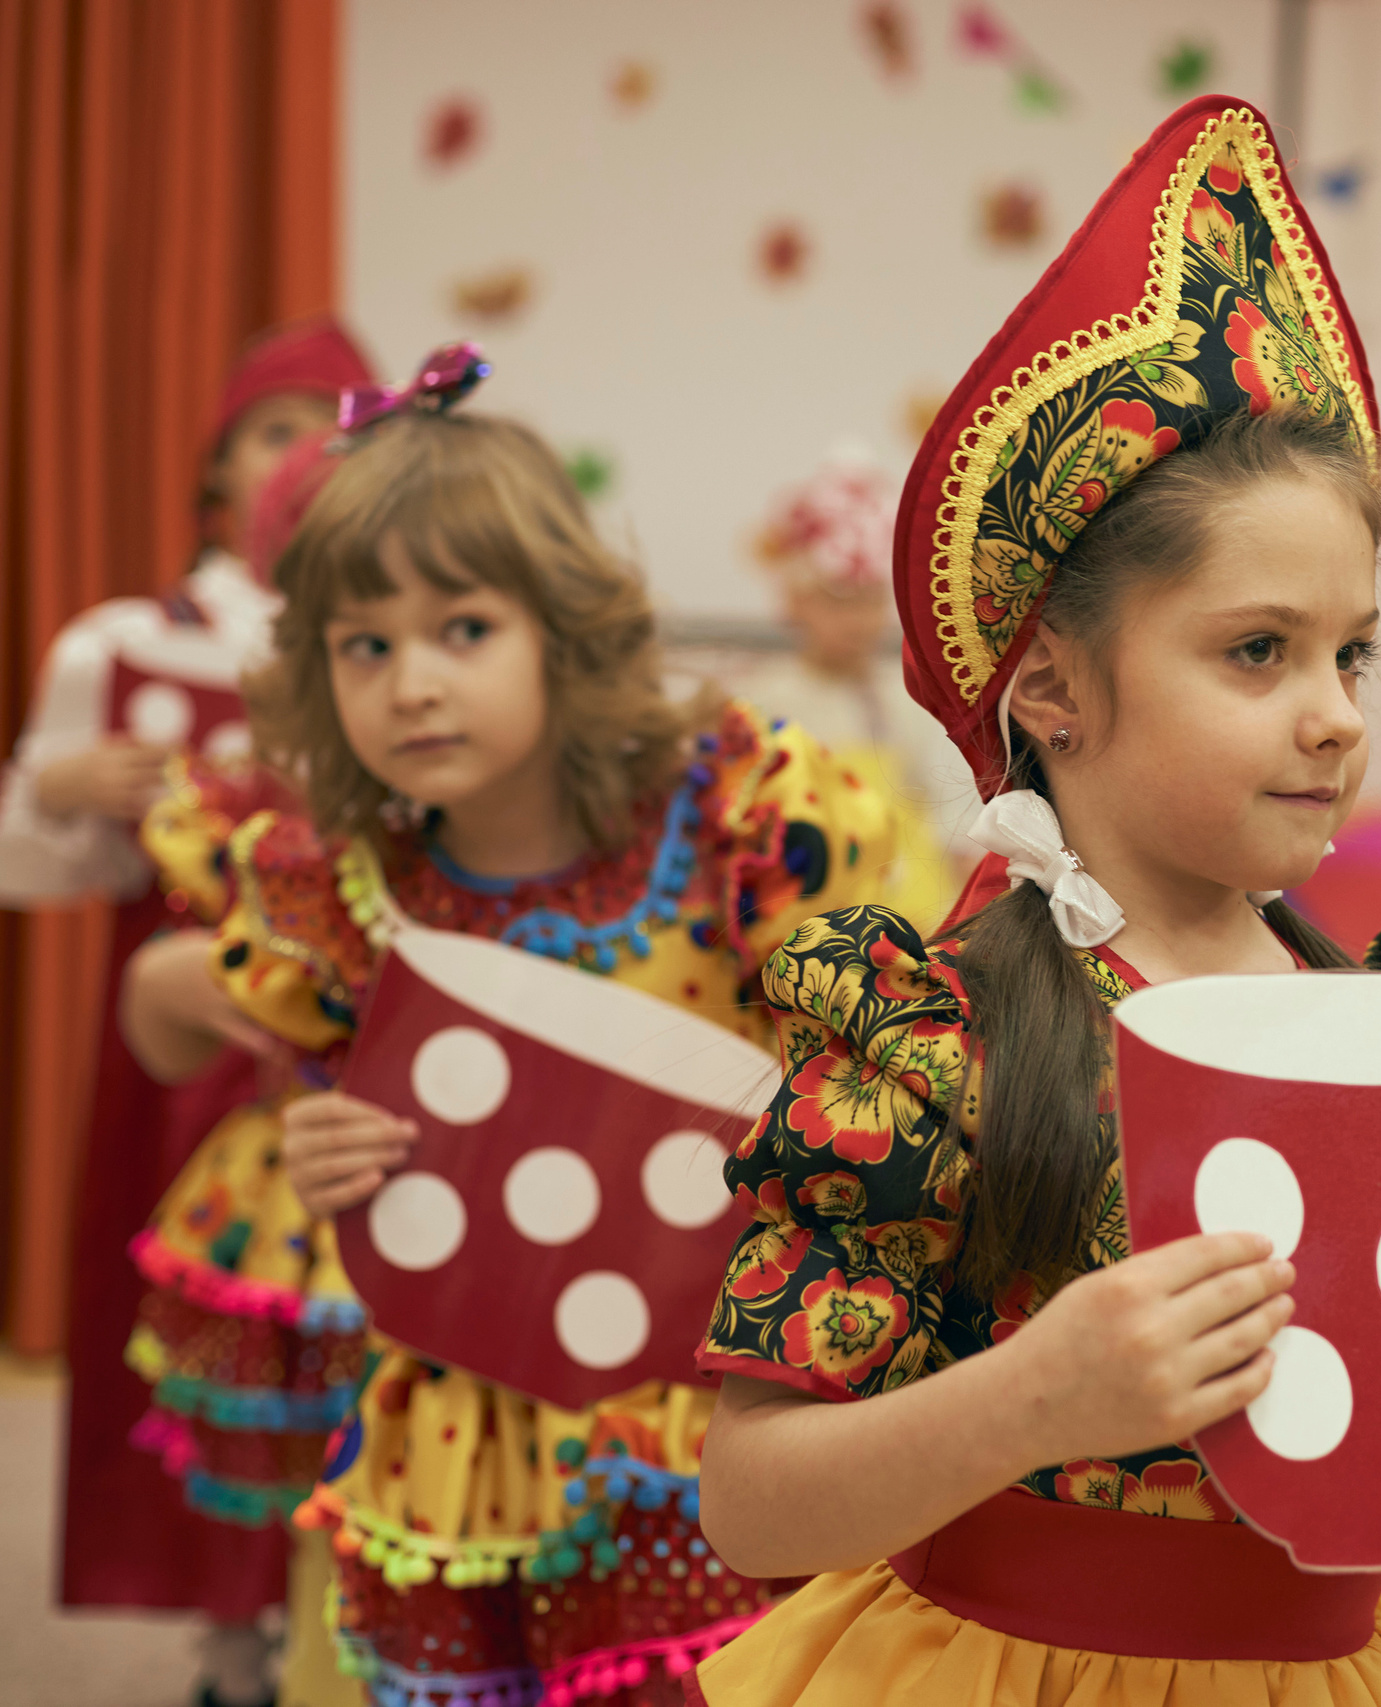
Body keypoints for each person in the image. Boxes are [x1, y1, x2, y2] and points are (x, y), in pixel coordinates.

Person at [684, 96, 1381, 1707]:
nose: (1338, 711)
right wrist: (1032, 1399)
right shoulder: (933, 1038)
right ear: (1054, 688)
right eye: (1257, 651)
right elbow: (750, 1493)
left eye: (1354, 651)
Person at [115, 345, 908, 1707]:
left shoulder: (730, 812)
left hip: (704, 1409)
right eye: (367, 646)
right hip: (457, 1428)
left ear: (562, 627)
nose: (412, 682)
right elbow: (160, 1021)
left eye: (462, 629)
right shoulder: (345, 884)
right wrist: (315, 1145)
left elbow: (875, 1046)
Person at [0, 315, 372, 1707]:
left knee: (346, 1338)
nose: (311, 460)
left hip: (349, 1039)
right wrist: (54, 792)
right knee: (204, 1335)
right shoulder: (125, 642)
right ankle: (227, 1643)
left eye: (342, 431)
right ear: (220, 470)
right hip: (187, 1046)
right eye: (283, 431)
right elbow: (38, 868)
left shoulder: (379, 640)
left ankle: (348, 1613)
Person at [727, 445, 973, 920]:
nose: (857, 621)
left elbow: (953, 817)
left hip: (923, 924)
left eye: (870, 601)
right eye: (839, 601)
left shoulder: (913, 698)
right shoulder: (763, 701)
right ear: (795, 599)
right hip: (809, 928)